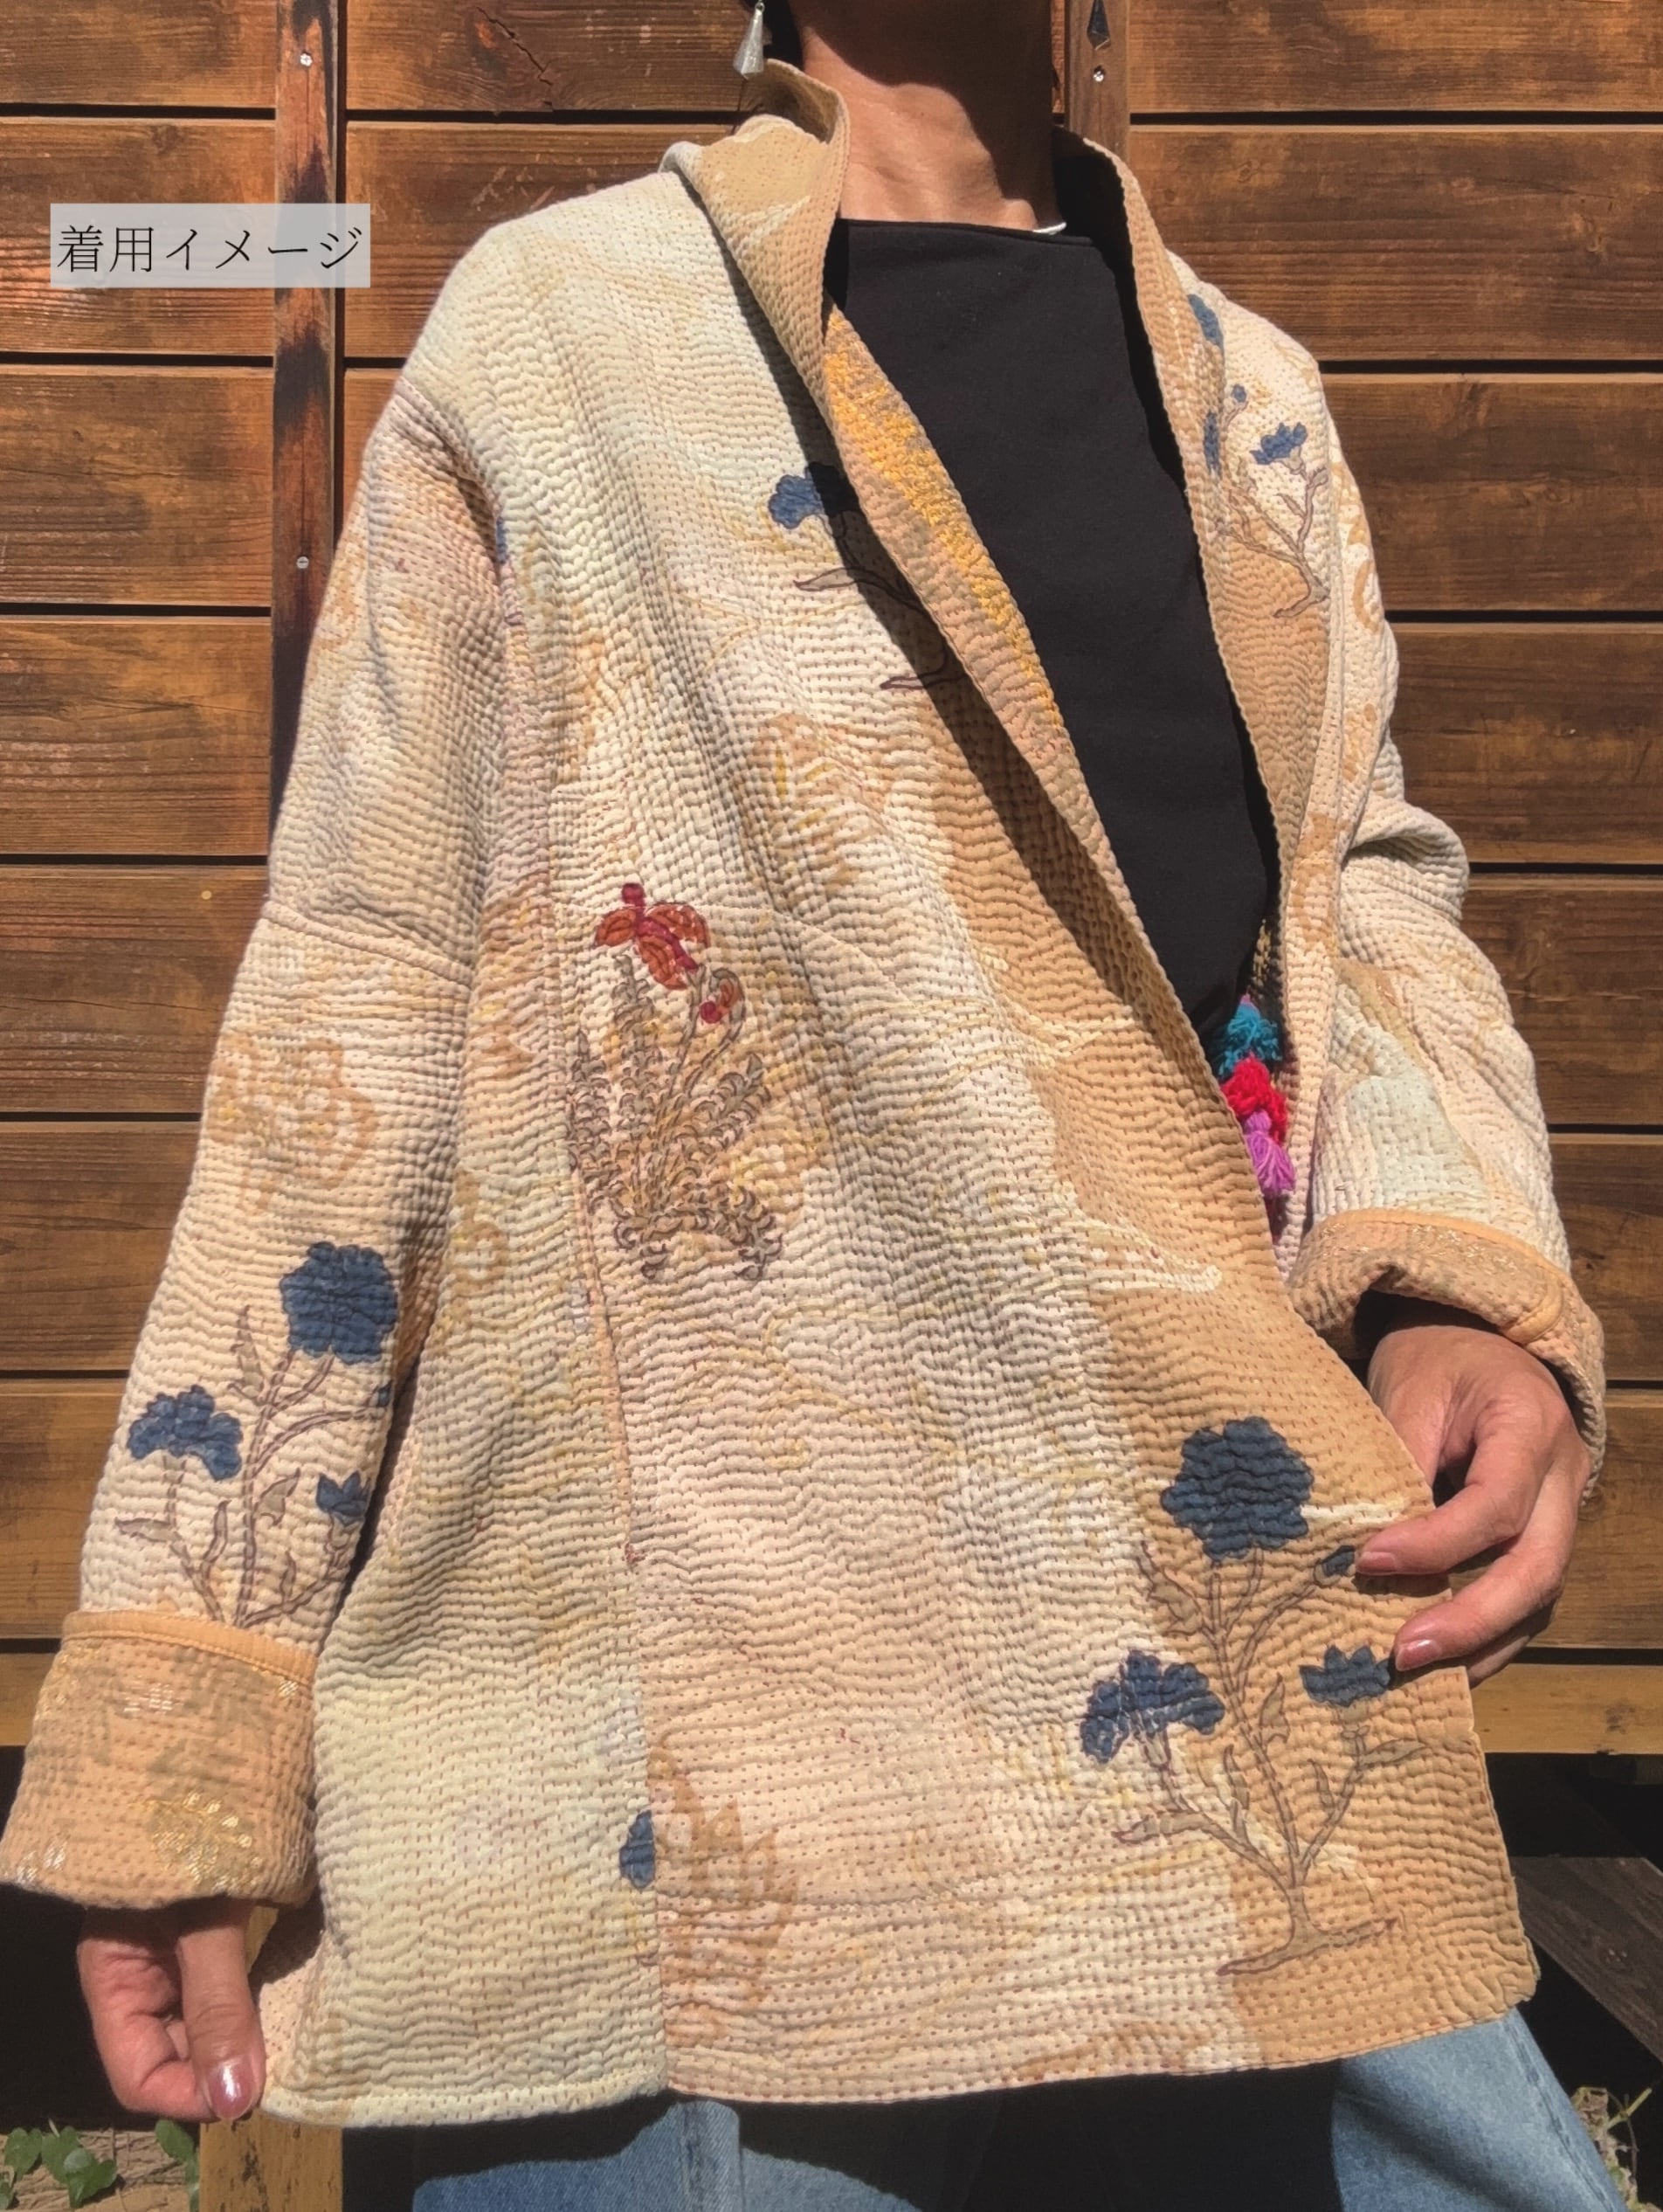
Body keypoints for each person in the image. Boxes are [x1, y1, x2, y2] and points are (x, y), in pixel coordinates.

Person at [0, 3, 1622, 2207]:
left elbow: (1357, 877)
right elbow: (356, 987)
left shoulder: (1252, 396)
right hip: (717, 1763)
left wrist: (1449, 1280)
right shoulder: (567, 333)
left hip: (1221, 1682)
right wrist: (196, 1712)